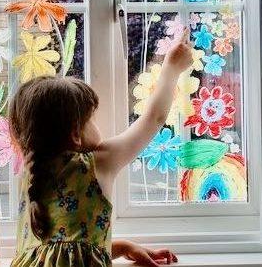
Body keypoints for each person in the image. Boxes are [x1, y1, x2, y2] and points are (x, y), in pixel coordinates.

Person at [10, 30, 193, 267]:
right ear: (76, 134)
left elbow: (66, 249)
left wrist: (124, 247)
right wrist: (172, 68)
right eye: (92, 120)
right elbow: (154, 119)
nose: (97, 126)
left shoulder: (33, 176)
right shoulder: (96, 163)